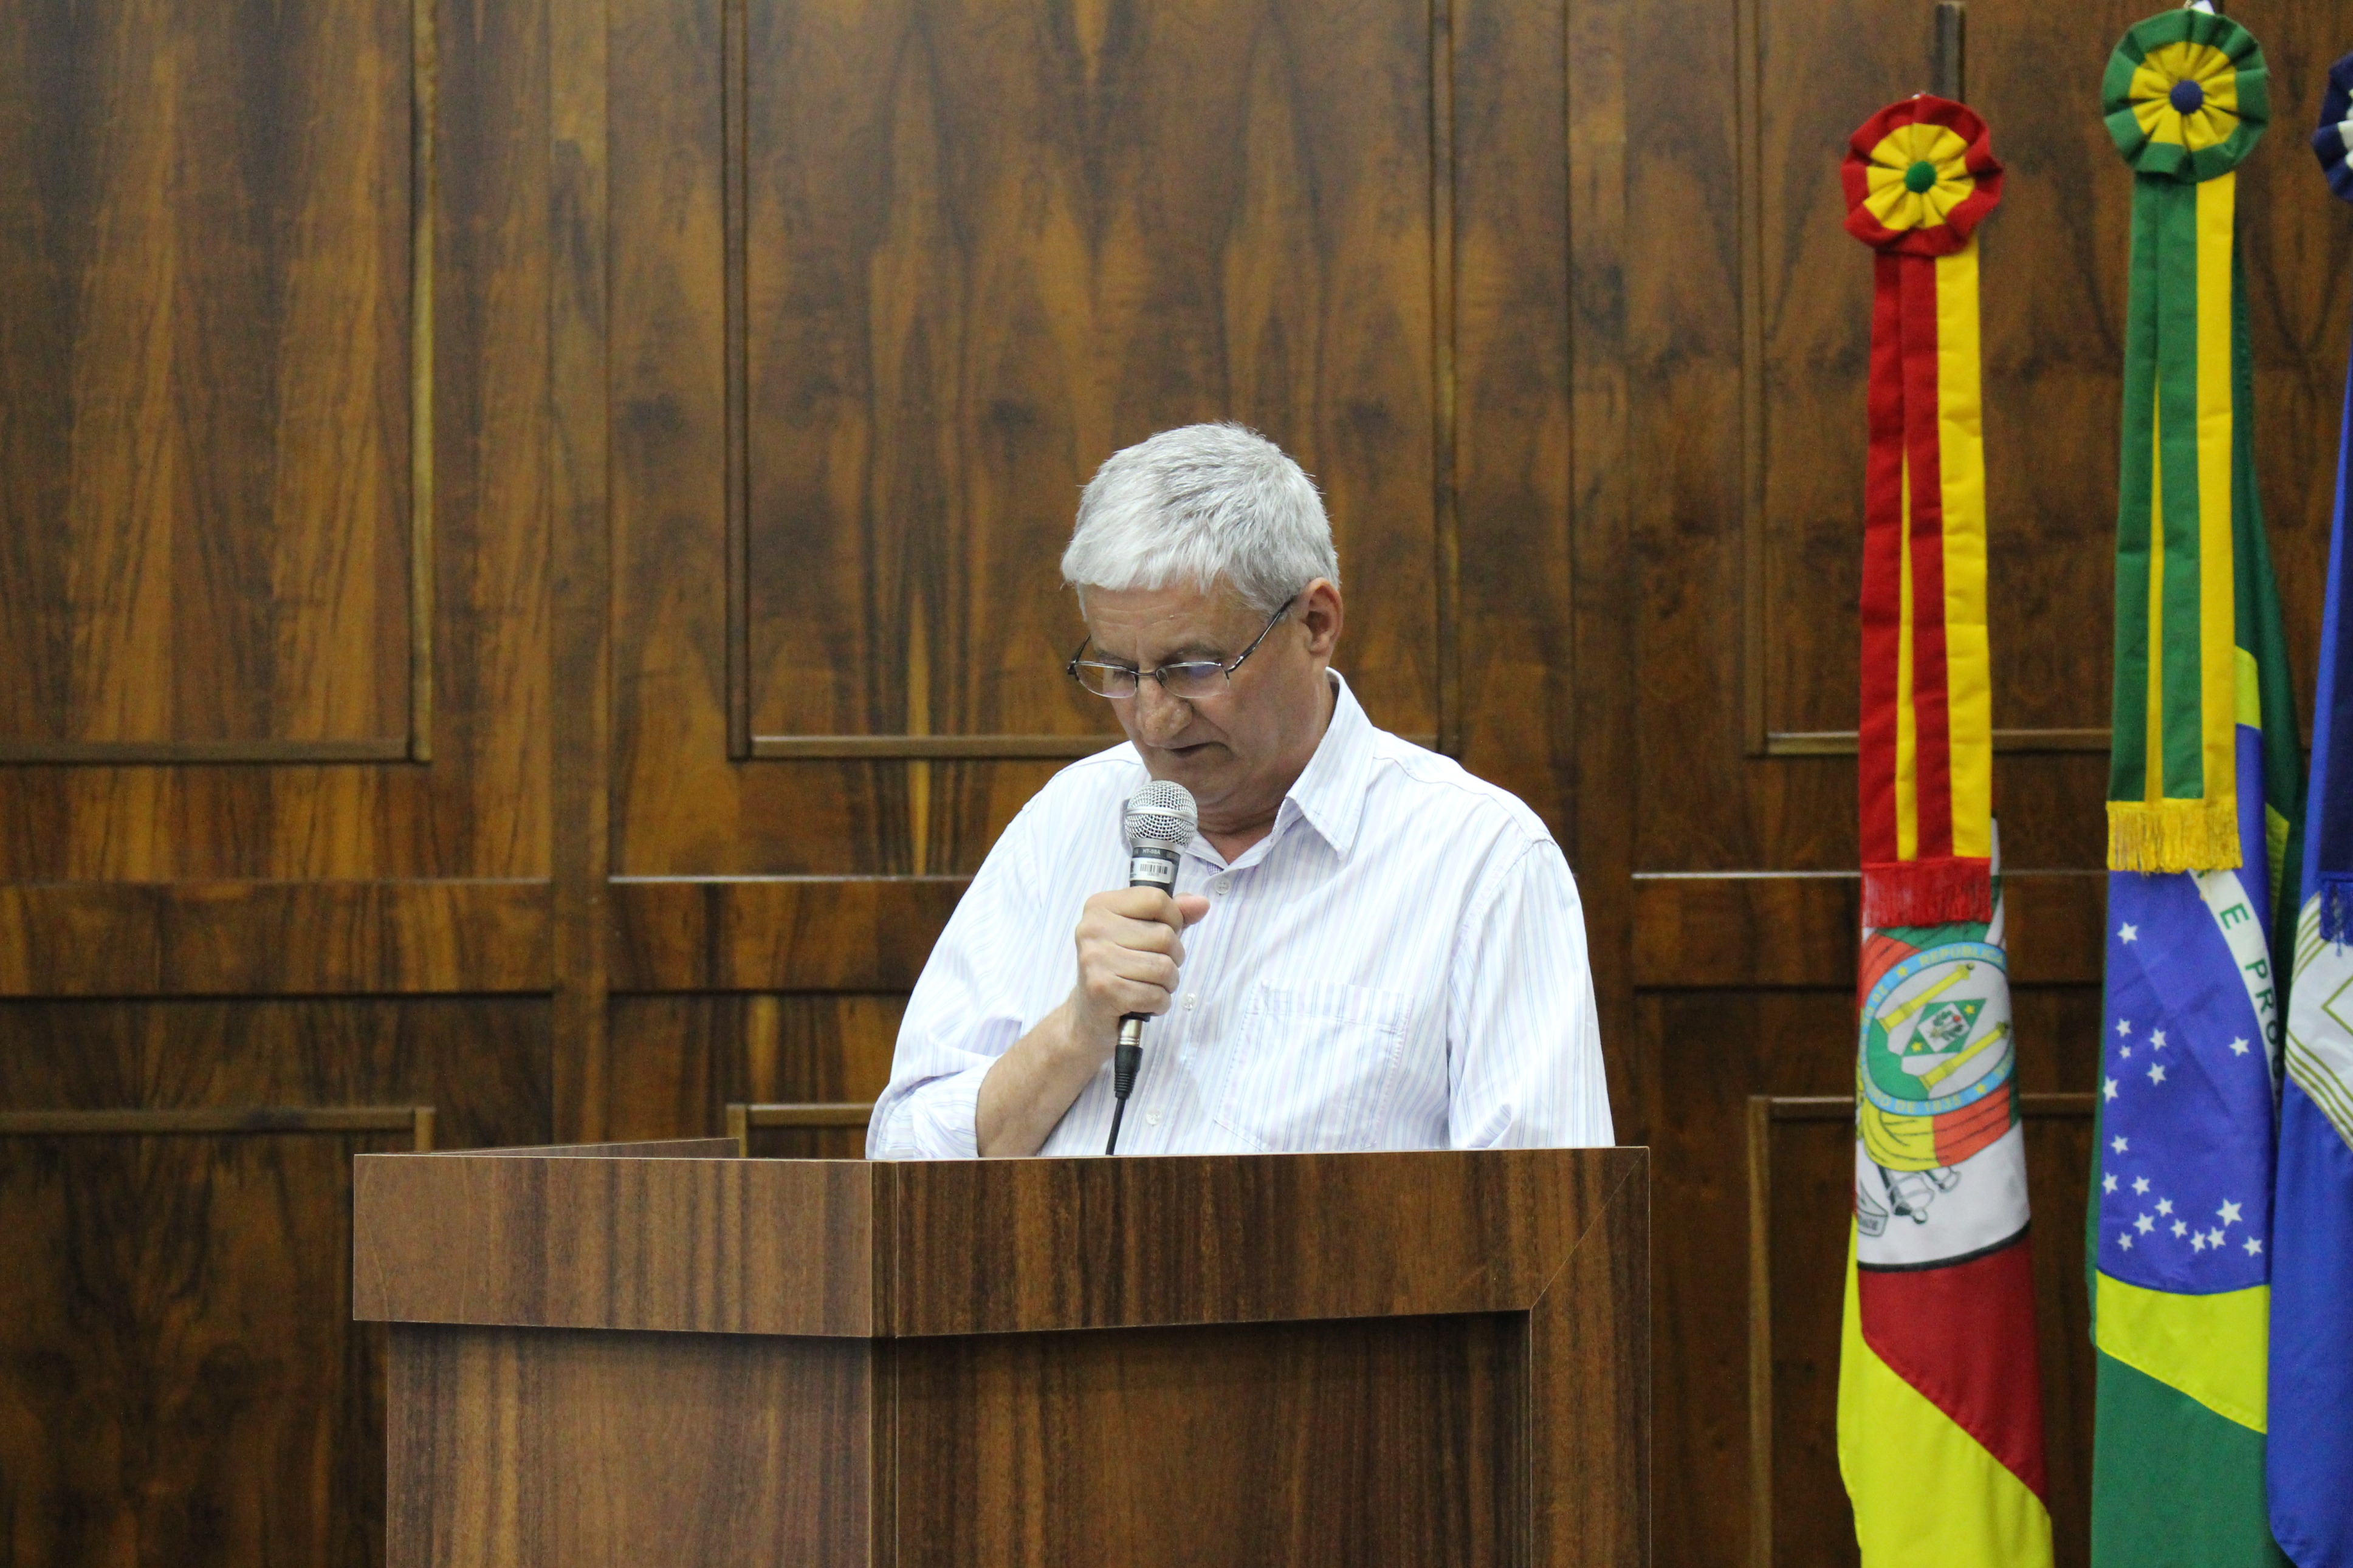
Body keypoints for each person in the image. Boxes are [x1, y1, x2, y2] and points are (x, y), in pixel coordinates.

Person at [867, 423, 1613, 1158]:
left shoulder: (1482, 860)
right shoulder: (1063, 820)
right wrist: (1075, 1032)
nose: (1153, 719)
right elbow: (901, 1160)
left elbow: (1543, 1216)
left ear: (1315, 623)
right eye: (1119, 671)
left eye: (1193, 667)